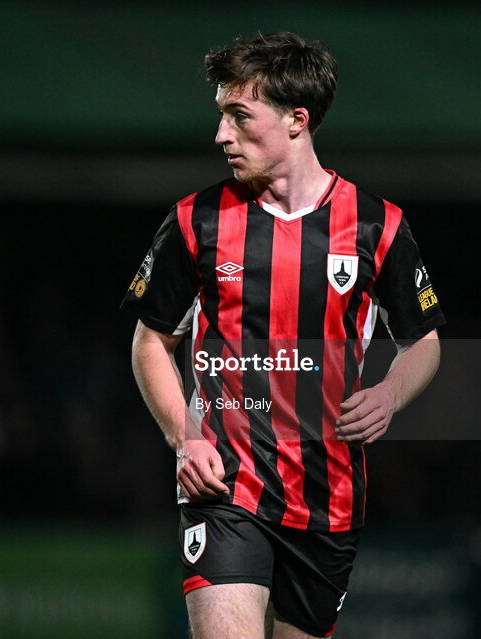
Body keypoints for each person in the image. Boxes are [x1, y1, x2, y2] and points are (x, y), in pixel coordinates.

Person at [122, 31, 445, 639]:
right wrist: (184, 437)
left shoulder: (378, 225)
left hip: (328, 499)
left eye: (240, 117)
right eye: (222, 116)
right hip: (224, 486)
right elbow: (150, 341)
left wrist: (389, 394)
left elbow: (422, 341)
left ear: (297, 120)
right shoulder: (196, 220)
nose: (222, 135)